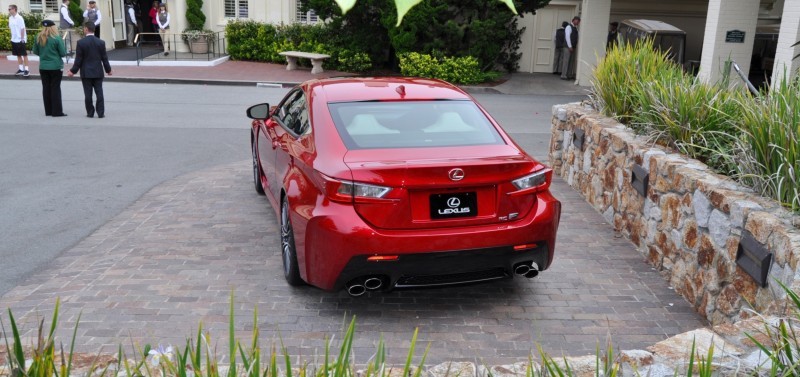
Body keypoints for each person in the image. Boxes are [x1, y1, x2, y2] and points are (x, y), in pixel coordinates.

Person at [68, 22, 113, 118]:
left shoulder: (81, 43)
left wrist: (73, 71)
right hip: (98, 71)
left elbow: (78, 60)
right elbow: (104, 58)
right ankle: (101, 113)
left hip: (86, 73)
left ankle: (90, 112)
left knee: (88, 94)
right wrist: (108, 70)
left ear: (86, 29)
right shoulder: (101, 42)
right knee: (99, 92)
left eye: (84, 28)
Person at [32, 20, 67, 117]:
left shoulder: (38, 37)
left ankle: (48, 111)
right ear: (53, 27)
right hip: (55, 66)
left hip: (43, 66)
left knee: (46, 88)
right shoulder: (57, 38)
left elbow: (35, 51)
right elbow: (63, 53)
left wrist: (44, 55)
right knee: (55, 88)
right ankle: (57, 111)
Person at [8, 5, 30, 77]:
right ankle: (21, 69)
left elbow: (22, 28)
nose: (9, 10)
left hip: (20, 39)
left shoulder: (19, 18)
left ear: (14, 9)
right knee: (18, 54)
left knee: (24, 54)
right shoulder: (10, 18)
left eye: (10, 9)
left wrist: (22, 39)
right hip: (14, 39)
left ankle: (26, 70)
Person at [561, 16, 580, 80]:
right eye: (577, 20)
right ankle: (563, 75)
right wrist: (570, 46)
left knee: (571, 61)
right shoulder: (569, 27)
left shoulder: (576, 28)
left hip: (573, 47)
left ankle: (568, 74)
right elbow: (567, 37)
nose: (578, 22)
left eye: (579, 21)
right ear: (573, 20)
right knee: (566, 61)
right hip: (568, 47)